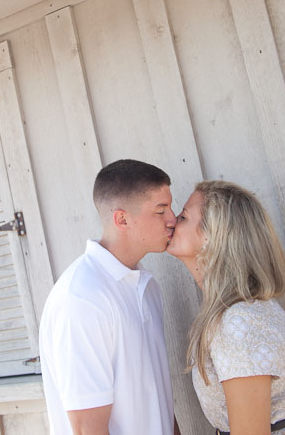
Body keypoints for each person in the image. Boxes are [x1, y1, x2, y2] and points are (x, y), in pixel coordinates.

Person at [166, 180, 285, 435]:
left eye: (184, 216)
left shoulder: (239, 323)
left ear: (213, 236)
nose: (172, 220)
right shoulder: (239, 312)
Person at [39, 159, 178, 435]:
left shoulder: (147, 287)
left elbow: (158, 401)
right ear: (122, 219)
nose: (173, 219)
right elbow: (87, 429)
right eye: (161, 211)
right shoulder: (82, 298)